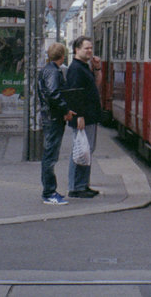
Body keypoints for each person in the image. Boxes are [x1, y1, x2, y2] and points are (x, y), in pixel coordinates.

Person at [64, 36, 102, 199]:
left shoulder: (85, 67)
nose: (90, 51)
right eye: (86, 48)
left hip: (89, 116)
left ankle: (83, 184)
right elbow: (74, 95)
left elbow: (96, 86)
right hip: (83, 117)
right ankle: (76, 187)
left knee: (86, 150)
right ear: (76, 50)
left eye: (91, 48)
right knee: (80, 150)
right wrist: (79, 116)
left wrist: (98, 68)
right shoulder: (75, 69)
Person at [37, 42, 74, 205]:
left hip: (48, 116)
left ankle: (50, 190)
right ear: (62, 56)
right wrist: (65, 110)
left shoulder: (46, 70)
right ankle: (49, 192)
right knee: (50, 156)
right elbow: (54, 94)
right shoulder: (53, 72)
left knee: (49, 155)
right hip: (53, 118)